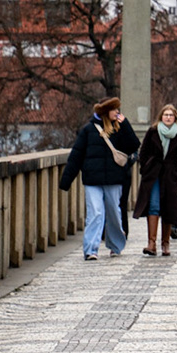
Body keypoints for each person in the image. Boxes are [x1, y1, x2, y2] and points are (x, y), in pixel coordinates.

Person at [57, 97, 138, 260]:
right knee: (95, 212)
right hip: (93, 179)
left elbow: (133, 146)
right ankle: (90, 249)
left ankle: (115, 245)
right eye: (115, 109)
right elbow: (76, 156)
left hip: (114, 179)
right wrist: (66, 180)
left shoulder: (118, 129)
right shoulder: (88, 130)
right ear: (106, 111)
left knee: (114, 212)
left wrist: (126, 125)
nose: (118, 112)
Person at [133, 104, 177, 256]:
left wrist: (175, 173)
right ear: (161, 116)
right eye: (165, 115)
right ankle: (151, 243)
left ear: (175, 118)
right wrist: (145, 169)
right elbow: (144, 152)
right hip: (153, 175)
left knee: (168, 208)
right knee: (153, 205)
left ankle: (165, 244)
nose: (168, 117)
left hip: (169, 176)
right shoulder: (153, 131)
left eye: (171, 115)